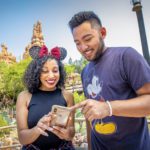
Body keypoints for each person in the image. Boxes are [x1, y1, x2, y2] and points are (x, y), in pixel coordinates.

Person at [68, 11, 150, 150]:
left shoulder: (126, 56)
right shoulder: (85, 72)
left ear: (103, 33)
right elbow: (90, 115)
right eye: (77, 43)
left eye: (87, 39)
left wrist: (108, 108)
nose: (83, 48)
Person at [16, 45, 75, 150]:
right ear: (37, 72)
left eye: (55, 70)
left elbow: (71, 131)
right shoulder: (24, 97)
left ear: (60, 72)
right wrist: (38, 129)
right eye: (45, 71)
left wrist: (67, 134)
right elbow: (22, 138)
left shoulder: (68, 96)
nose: (51, 76)